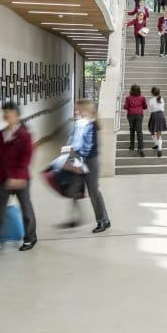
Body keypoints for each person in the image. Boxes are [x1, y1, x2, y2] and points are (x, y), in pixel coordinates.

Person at [0, 100, 37, 253]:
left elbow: (26, 158)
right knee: (1, 210)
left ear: (17, 115)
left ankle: (30, 238)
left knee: (26, 209)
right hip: (5, 179)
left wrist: (18, 177)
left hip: (21, 180)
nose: (6, 115)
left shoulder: (25, 135)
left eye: (10, 112)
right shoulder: (0, 135)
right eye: (4, 112)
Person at [61, 99, 109, 233]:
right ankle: (75, 219)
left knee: (93, 192)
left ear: (86, 110)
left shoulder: (91, 125)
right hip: (80, 161)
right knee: (73, 189)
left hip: (90, 162)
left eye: (78, 109)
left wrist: (76, 163)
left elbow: (87, 148)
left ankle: (103, 220)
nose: (76, 112)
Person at [124, 84, 147, 158]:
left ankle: (132, 146)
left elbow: (125, 107)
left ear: (131, 90)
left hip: (130, 115)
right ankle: (141, 149)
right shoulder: (142, 98)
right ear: (139, 90)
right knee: (139, 131)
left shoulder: (128, 98)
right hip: (139, 115)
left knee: (132, 130)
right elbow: (145, 107)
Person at [147, 87, 167, 159]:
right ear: (159, 92)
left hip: (154, 115)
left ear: (152, 93)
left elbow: (150, 110)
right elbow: (163, 108)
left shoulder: (151, 100)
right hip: (161, 115)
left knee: (151, 130)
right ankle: (159, 148)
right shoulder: (161, 99)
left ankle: (156, 144)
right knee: (159, 133)